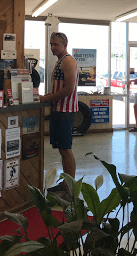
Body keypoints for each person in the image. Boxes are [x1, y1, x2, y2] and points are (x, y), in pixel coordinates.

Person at [39, 32, 78, 196]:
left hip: (64, 111)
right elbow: (59, 87)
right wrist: (46, 97)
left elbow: (69, 89)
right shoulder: (59, 62)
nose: (53, 47)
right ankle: (65, 183)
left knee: (66, 150)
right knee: (62, 150)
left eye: (56, 44)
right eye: (51, 44)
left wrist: (46, 98)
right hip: (58, 110)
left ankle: (69, 188)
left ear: (65, 45)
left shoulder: (68, 61)